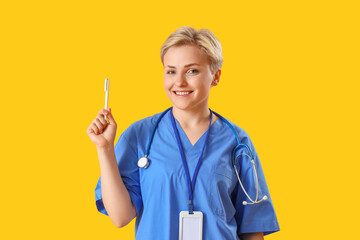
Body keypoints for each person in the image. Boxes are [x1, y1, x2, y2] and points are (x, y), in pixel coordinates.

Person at [87, 26, 280, 240]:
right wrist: (104, 148)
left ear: (215, 76)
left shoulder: (237, 142)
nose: (179, 82)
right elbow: (120, 217)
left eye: (192, 71)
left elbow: (252, 228)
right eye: (171, 71)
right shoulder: (139, 136)